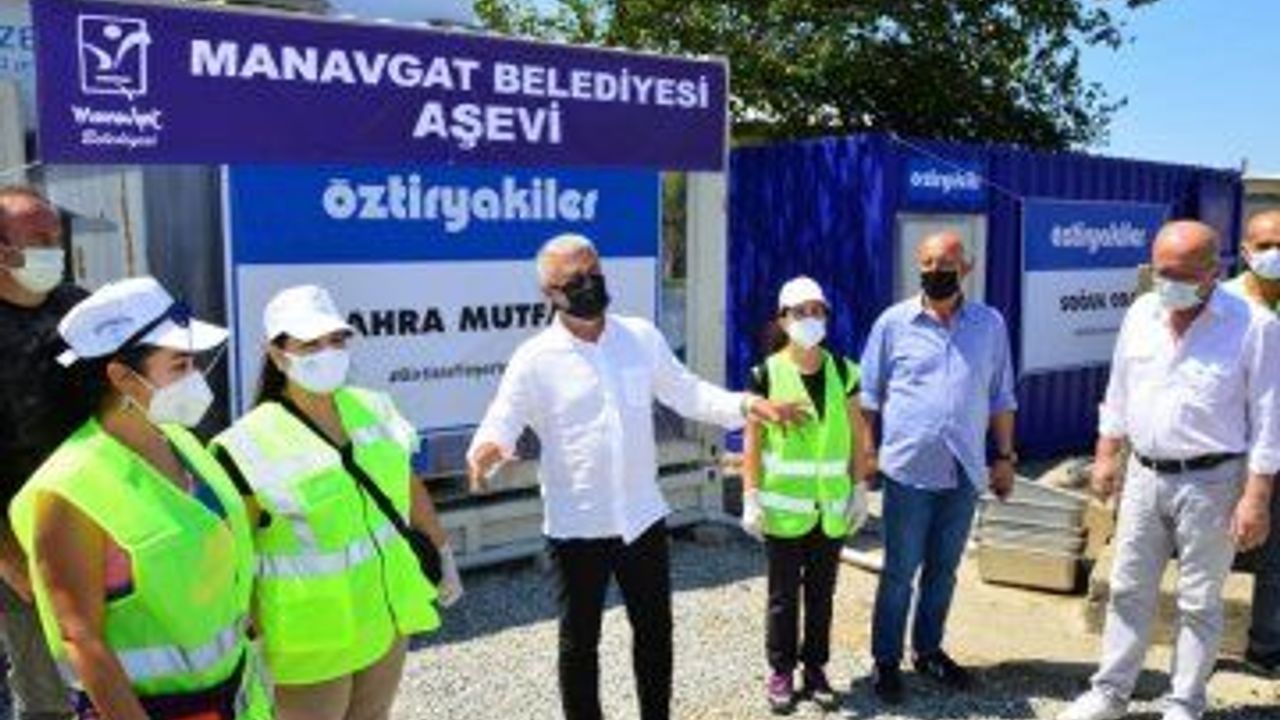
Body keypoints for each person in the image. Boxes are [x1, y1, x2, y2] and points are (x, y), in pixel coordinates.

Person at [467, 233, 807, 720]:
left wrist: (747, 403)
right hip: (576, 525)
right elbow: (504, 417)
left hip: (641, 518)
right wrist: (486, 448)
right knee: (579, 642)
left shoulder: (639, 337)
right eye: (575, 279)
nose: (590, 283)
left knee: (654, 633)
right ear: (550, 294)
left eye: (594, 272)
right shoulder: (535, 359)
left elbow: (687, 392)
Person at [8, 276, 270, 720]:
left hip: (236, 699)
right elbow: (80, 639)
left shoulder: (178, 440)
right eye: (180, 364)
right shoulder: (69, 488)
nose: (197, 376)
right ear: (123, 377)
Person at [1058, 221, 1280, 720]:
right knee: (1127, 589)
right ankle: (1110, 693)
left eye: (1183, 275)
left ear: (1214, 271)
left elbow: (1270, 421)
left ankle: (1184, 703)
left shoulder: (1256, 326)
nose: (1170, 284)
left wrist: (1256, 498)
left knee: (1199, 601)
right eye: (1162, 272)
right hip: (1143, 474)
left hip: (1214, 482)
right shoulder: (1142, 312)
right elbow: (1119, 388)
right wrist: (1106, 455)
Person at [211, 284, 461, 720]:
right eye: (310, 344)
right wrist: (244, 635)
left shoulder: (374, 407)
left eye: (336, 340)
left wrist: (442, 549)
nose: (327, 353)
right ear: (277, 355)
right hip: (310, 639)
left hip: (385, 617)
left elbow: (406, 485)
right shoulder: (245, 444)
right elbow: (230, 556)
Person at [858, 231, 1017, 705]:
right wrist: (867, 452)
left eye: (946, 263)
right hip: (908, 469)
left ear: (966, 267)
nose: (935, 271)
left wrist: (1004, 457)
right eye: (927, 263)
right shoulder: (893, 323)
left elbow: (1001, 396)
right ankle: (886, 661)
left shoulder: (989, 324)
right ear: (917, 265)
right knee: (899, 571)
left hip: (964, 470)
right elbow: (868, 395)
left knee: (943, 571)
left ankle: (927, 650)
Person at [741, 276, 866, 714]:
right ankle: (781, 671)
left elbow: (856, 435)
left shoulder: (845, 372)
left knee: (820, 594)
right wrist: (750, 495)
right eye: (800, 312)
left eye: (817, 310)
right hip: (783, 510)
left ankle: (815, 668)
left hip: (830, 508)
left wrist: (860, 487)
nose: (810, 318)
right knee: (782, 597)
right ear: (783, 319)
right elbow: (753, 442)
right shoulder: (765, 374)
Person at [0, 185, 81, 720]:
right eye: (40, 239)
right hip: (20, 543)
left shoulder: (77, 308)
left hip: (96, 525)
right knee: (47, 696)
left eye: (57, 236)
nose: (55, 248)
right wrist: (10, 562)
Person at [1223, 210, 1280, 674]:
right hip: (1224, 452)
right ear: (1245, 251)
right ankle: (1196, 652)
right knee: (1211, 551)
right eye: (1264, 246)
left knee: (1277, 556)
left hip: (1274, 451)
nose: (1274, 254)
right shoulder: (1222, 304)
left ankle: (1267, 649)